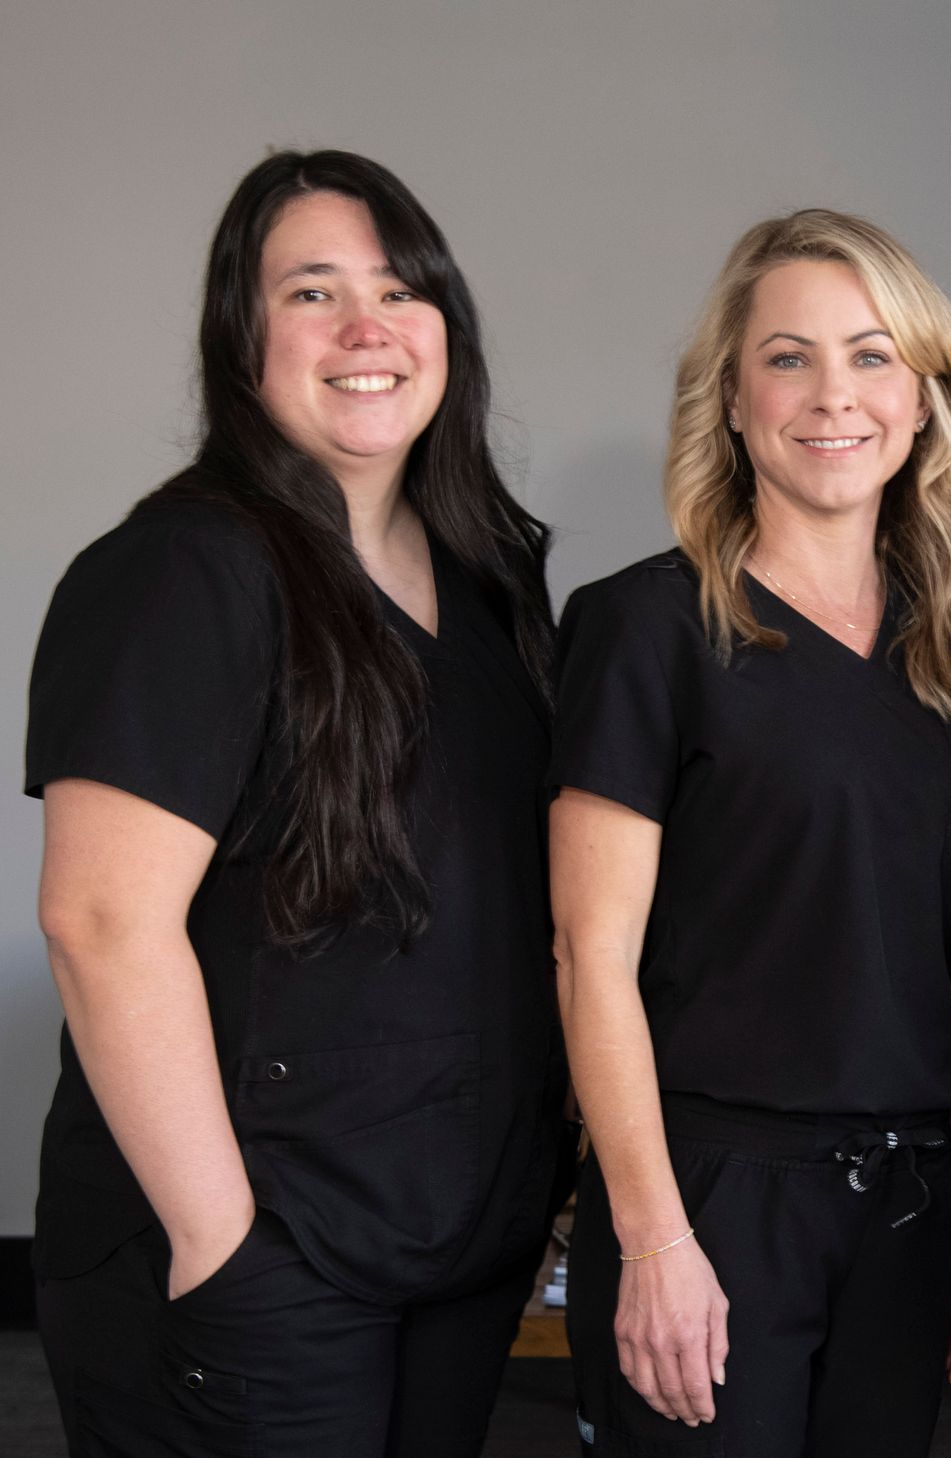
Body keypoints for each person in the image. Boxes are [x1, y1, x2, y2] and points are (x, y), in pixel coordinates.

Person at [27, 150, 567, 1455]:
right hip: (265, 1263)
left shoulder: (493, 583)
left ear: (447, 327)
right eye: (313, 292)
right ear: (241, 338)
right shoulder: (179, 572)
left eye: (399, 288)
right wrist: (224, 1250)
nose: (368, 327)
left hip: (454, 1247)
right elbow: (102, 924)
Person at [549, 208, 951, 1457]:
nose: (833, 395)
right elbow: (589, 960)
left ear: (924, 399)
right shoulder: (643, 630)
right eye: (788, 356)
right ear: (735, 399)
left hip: (912, 1195)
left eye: (872, 356)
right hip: (711, 1193)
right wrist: (650, 1237)